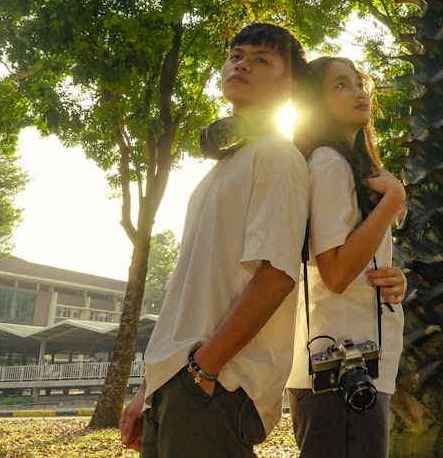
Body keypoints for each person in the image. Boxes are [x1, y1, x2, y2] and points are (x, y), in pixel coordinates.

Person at [119, 23, 310, 457]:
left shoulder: (278, 157)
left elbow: (277, 276)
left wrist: (202, 371)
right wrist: (147, 390)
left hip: (218, 385)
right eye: (236, 55)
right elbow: (187, 296)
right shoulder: (216, 174)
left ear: (289, 86)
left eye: (262, 59)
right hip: (180, 383)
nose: (241, 63)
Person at [286, 56, 408, 458]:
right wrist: (394, 201)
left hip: (351, 363)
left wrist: (392, 279)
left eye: (357, 82)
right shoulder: (328, 162)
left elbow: (346, 264)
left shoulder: (348, 166)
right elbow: (336, 273)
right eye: (340, 85)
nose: (357, 91)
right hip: (339, 367)